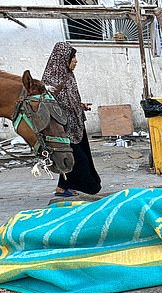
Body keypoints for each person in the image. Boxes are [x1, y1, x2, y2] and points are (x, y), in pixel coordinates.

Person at [42, 41, 101, 197]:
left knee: (75, 157)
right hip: (63, 130)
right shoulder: (51, 81)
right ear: (63, 58)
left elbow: (68, 100)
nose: (76, 61)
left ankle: (62, 188)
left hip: (76, 125)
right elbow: (51, 105)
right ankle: (89, 187)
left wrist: (80, 106)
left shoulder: (67, 75)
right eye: (73, 57)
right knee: (77, 160)